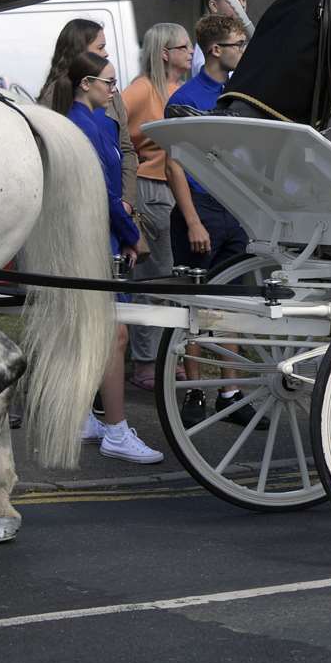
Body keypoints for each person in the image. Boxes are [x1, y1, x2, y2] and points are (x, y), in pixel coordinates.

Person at [52, 51, 163, 464]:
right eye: (109, 82)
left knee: (89, 334)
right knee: (114, 337)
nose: (114, 90)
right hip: (97, 239)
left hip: (92, 237)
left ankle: (84, 417)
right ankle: (116, 429)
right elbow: (106, 195)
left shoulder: (88, 121)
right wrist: (132, 235)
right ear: (87, 84)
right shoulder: (87, 124)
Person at [120, 22, 192, 389]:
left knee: (170, 277)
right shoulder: (142, 89)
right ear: (165, 53)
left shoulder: (180, 89)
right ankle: (147, 364)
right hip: (151, 188)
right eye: (183, 47)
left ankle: (162, 358)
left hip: (178, 191)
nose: (190, 51)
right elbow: (109, 121)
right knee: (152, 278)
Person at [167, 15, 250, 270]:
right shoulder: (185, 100)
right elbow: (173, 166)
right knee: (196, 298)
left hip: (234, 209)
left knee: (234, 297)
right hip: (201, 207)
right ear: (216, 50)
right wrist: (193, 223)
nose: (243, 51)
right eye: (238, 44)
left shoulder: (237, 93)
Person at [38, 19, 136, 212]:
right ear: (80, 51)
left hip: (118, 208)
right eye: (100, 47)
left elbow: (127, 150)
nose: (106, 53)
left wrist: (127, 201)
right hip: (77, 207)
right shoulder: (55, 94)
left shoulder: (111, 94)